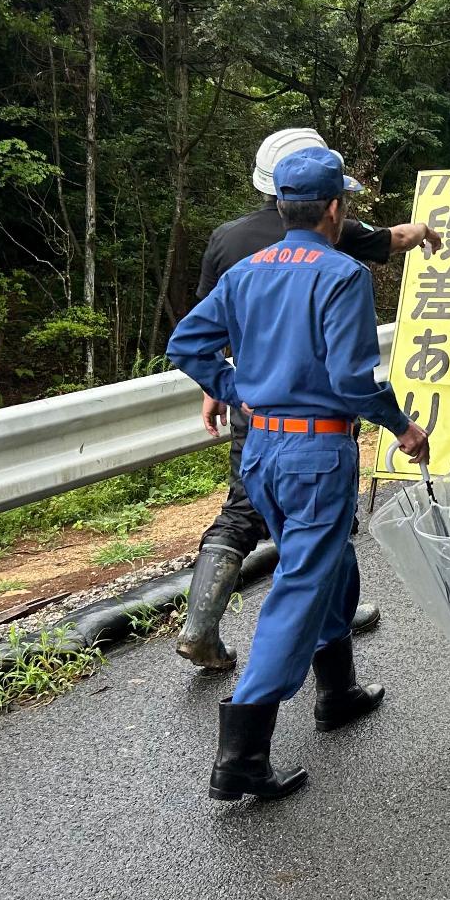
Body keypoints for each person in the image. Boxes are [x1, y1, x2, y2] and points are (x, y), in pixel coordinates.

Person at [167, 145, 430, 802]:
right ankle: (242, 756)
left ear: (283, 204)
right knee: (301, 583)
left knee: (331, 559)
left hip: (262, 454)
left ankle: (336, 691)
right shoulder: (341, 275)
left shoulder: (247, 272)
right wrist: (403, 427)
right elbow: (355, 377)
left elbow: (186, 344)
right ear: (335, 209)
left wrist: (234, 387)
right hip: (316, 454)